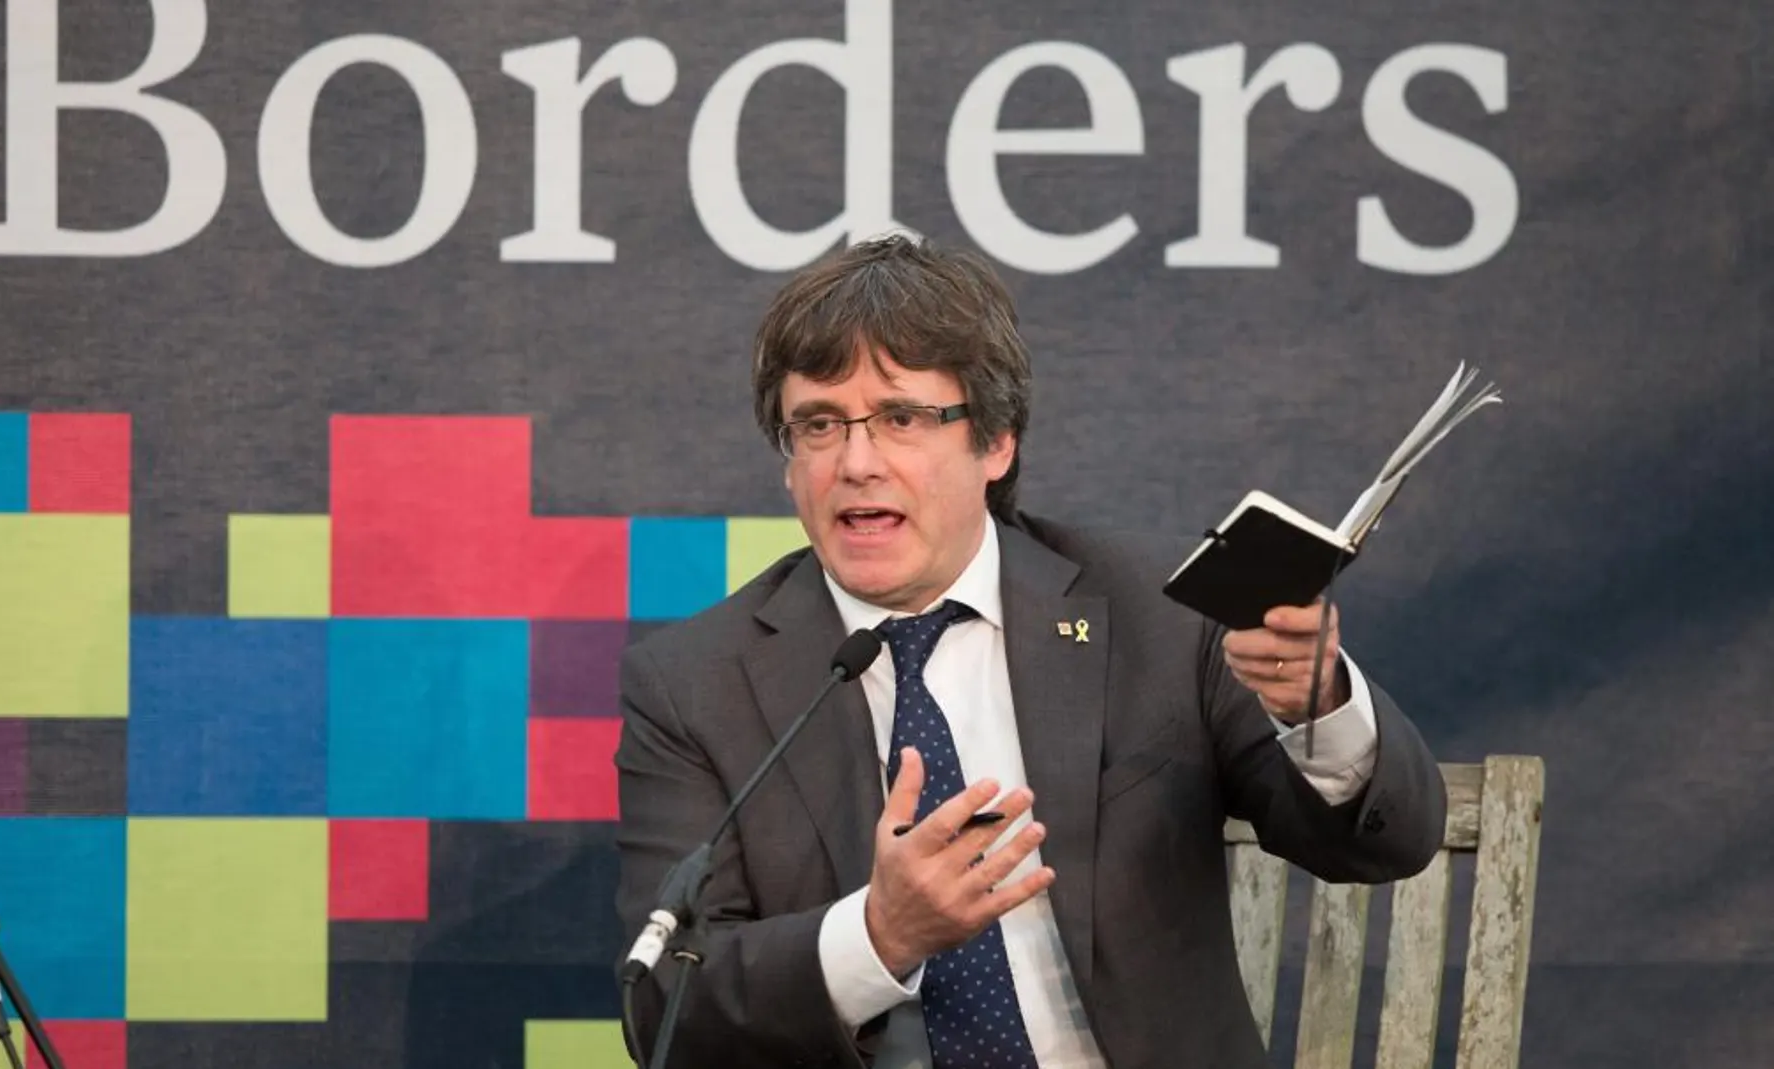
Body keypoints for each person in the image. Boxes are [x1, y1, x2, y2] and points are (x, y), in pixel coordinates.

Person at [613, 234, 1446, 1068]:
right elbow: (665, 1010)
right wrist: (877, 936)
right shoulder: (694, 685)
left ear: (996, 440)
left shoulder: (1153, 612)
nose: (855, 463)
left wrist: (1319, 704)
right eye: (819, 425)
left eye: (901, 418)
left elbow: (1382, 844)